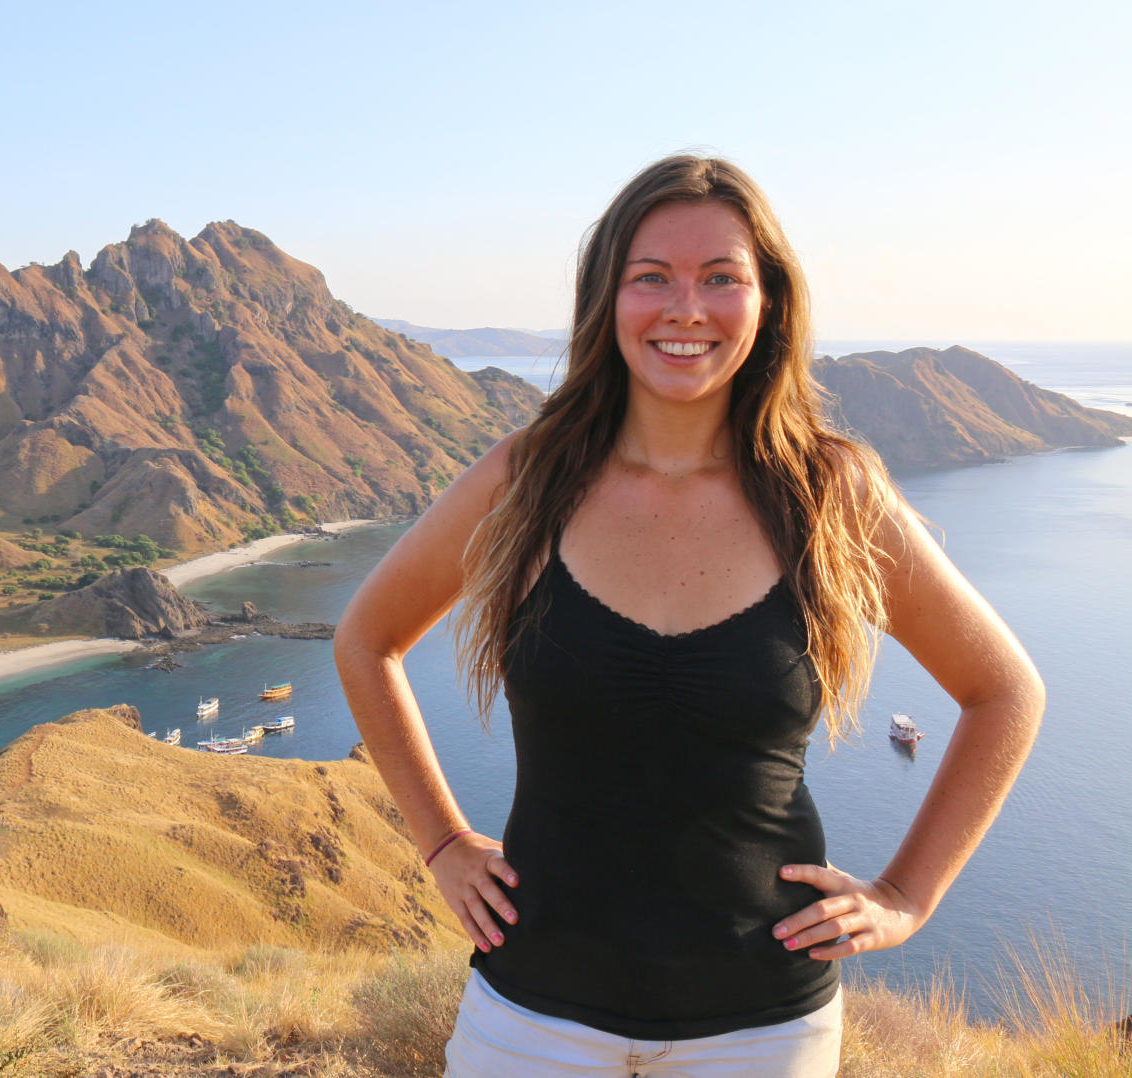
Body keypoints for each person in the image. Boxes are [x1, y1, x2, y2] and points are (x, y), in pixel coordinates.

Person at [332, 155, 1044, 1077]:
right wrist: (440, 841)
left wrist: (908, 895)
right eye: (652, 277)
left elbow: (1004, 692)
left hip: (764, 1029)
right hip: (529, 1016)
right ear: (606, 299)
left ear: (769, 303)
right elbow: (366, 640)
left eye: (722, 278)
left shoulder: (828, 494)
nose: (686, 309)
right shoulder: (528, 478)